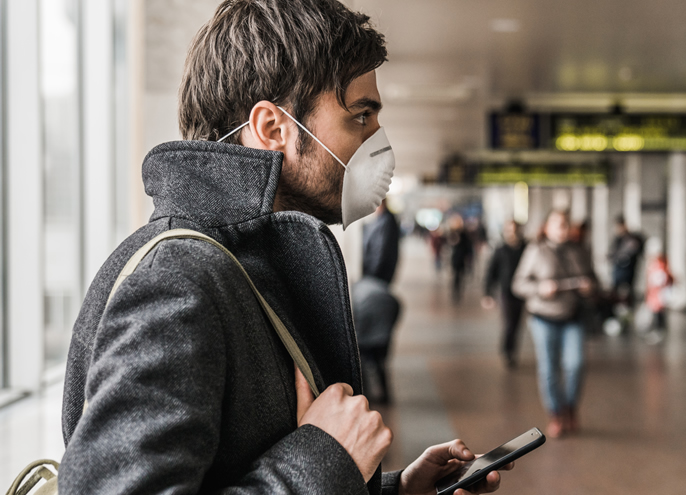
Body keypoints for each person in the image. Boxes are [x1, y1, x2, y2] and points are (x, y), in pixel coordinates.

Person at [58, 1, 510, 493]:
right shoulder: (180, 278)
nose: (378, 139)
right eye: (360, 115)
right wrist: (326, 457)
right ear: (274, 128)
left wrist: (393, 490)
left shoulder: (249, 266)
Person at [512, 210, 598, 438]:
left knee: (575, 364)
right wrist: (540, 289)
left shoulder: (578, 251)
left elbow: (594, 279)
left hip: (572, 316)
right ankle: (556, 413)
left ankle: (570, 406)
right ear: (547, 227)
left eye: (565, 224)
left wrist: (589, 287)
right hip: (543, 318)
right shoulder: (536, 251)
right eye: (557, 224)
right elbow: (518, 284)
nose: (562, 228)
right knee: (549, 368)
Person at [482, 220, 526, 368]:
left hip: (522, 292)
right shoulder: (501, 250)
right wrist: (487, 293)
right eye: (509, 230)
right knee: (509, 323)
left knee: (517, 324)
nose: (512, 232)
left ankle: (512, 348)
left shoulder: (526, 248)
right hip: (506, 292)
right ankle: (508, 351)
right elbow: (491, 272)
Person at [352, 276, 401, 404]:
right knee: (380, 364)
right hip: (384, 329)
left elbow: (355, 319)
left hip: (367, 328)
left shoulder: (356, 293)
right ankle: (385, 395)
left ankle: (366, 395)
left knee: (362, 364)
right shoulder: (371, 286)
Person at [362, 199, 401, 285]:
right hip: (380, 273)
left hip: (378, 275)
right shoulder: (384, 220)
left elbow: (380, 250)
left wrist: (371, 274)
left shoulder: (386, 222)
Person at [608, 215, 643, 309]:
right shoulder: (617, 239)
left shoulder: (631, 238)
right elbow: (612, 253)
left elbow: (635, 250)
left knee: (628, 294)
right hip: (618, 270)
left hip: (628, 271)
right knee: (615, 293)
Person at [643, 237, 673, 343]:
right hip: (654, 292)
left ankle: (659, 330)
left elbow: (661, 277)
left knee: (658, 311)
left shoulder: (660, 262)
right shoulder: (655, 262)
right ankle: (656, 329)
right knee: (655, 310)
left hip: (658, 292)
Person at [447, 213, 473, 304]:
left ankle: (459, 291)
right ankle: (455, 292)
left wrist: (469, 258)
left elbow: (468, 247)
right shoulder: (452, 232)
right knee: (456, 276)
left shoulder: (464, 234)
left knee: (461, 276)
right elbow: (449, 243)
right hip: (455, 258)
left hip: (462, 258)